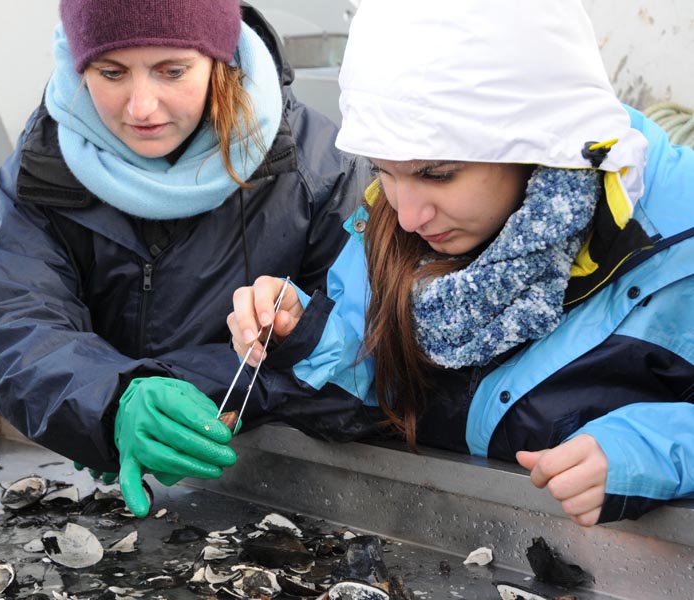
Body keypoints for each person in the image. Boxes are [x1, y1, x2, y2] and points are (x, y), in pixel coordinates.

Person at [228, 0, 694, 526]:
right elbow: (374, 400)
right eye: (386, 171)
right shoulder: (387, 221)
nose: (407, 217)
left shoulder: (680, 238)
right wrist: (305, 334)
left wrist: (652, 451)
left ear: (544, 139)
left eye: (438, 173)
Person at [0, 0, 368, 517]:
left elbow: (366, 348)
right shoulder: (46, 166)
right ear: (78, 64)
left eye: (171, 71)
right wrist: (111, 402)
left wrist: (184, 387)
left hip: (283, 497)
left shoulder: (318, 169)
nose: (141, 107)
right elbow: (10, 324)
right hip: (98, 487)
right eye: (111, 72)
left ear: (220, 60)